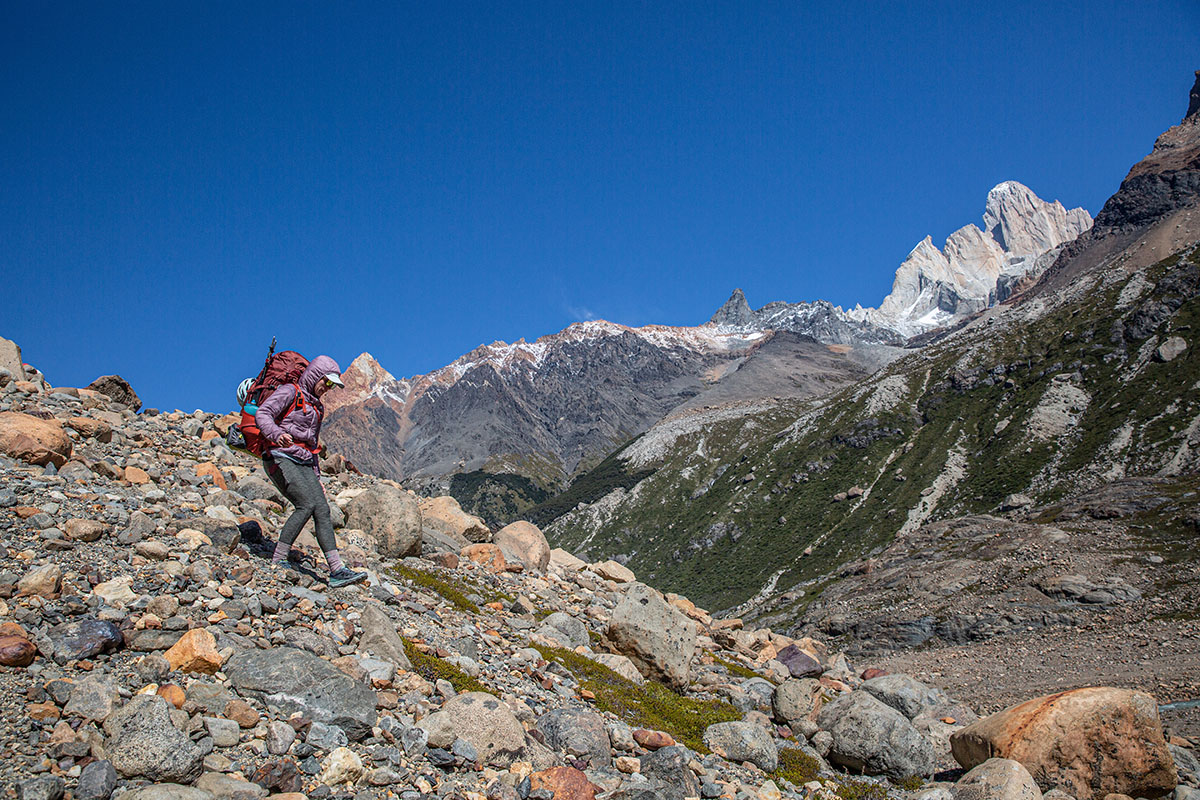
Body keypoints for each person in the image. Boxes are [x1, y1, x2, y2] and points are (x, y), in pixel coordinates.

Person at [254, 355, 367, 588]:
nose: (327, 388)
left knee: (323, 509)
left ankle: (337, 570)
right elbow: (263, 414)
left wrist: (317, 476)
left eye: (331, 385)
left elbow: (313, 445)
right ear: (315, 376)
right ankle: (278, 559)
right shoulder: (289, 392)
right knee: (306, 505)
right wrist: (277, 435)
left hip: (304, 461)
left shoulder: (317, 406)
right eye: (326, 382)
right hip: (280, 456)